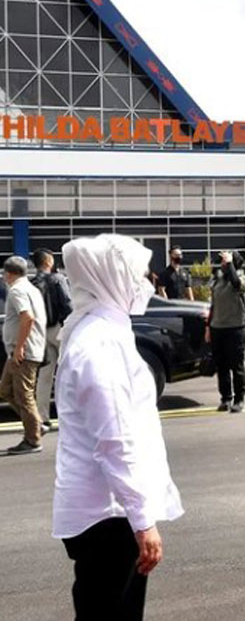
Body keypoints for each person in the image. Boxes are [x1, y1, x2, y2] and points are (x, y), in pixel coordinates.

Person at [53, 234, 183, 620]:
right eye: (136, 275)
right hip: (108, 515)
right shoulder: (99, 345)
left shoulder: (104, 331)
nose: (145, 284)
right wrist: (143, 522)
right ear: (109, 279)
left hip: (111, 509)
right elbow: (114, 441)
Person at [0, 256, 48, 455]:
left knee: (23, 394)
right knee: (5, 389)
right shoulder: (31, 288)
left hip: (23, 352)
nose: (3, 277)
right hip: (21, 351)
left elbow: (27, 317)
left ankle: (32, 440)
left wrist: (20, 347)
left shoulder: (17, 290)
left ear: (9, 274)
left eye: (4, 273)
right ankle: (35, 424)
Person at [30, 248, 72, 434]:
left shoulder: (31, 283)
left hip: (41, 333)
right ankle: (70, 416)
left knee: (45, 377)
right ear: (48, 261)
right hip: (59, 329)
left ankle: (42, 418)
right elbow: (68, 305)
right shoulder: (58, 280)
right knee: (69, 373)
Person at [206, 251, 245, 413]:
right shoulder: (218, 280)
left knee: (236, 366)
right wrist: (208, 327)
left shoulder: (242, 278)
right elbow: (213, 305)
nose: (222, 265)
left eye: (225, 263)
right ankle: (225, 398)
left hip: (236, 328)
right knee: (222, 366)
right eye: (223, 263)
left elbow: (237, 284)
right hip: (218, 328)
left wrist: (230, 263)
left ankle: (239, 399)